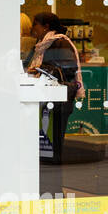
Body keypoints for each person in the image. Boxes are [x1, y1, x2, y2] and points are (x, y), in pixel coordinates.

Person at [26, 12, 83, 165]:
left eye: (35, 24)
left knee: (54, 140)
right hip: (49, 97)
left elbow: (68, 69)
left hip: (58, 98)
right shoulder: (42, 44)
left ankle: (53, 174)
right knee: (48, 140)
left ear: (46, 27)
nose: (32, 28)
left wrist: (40, 69)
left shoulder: (59, 43)